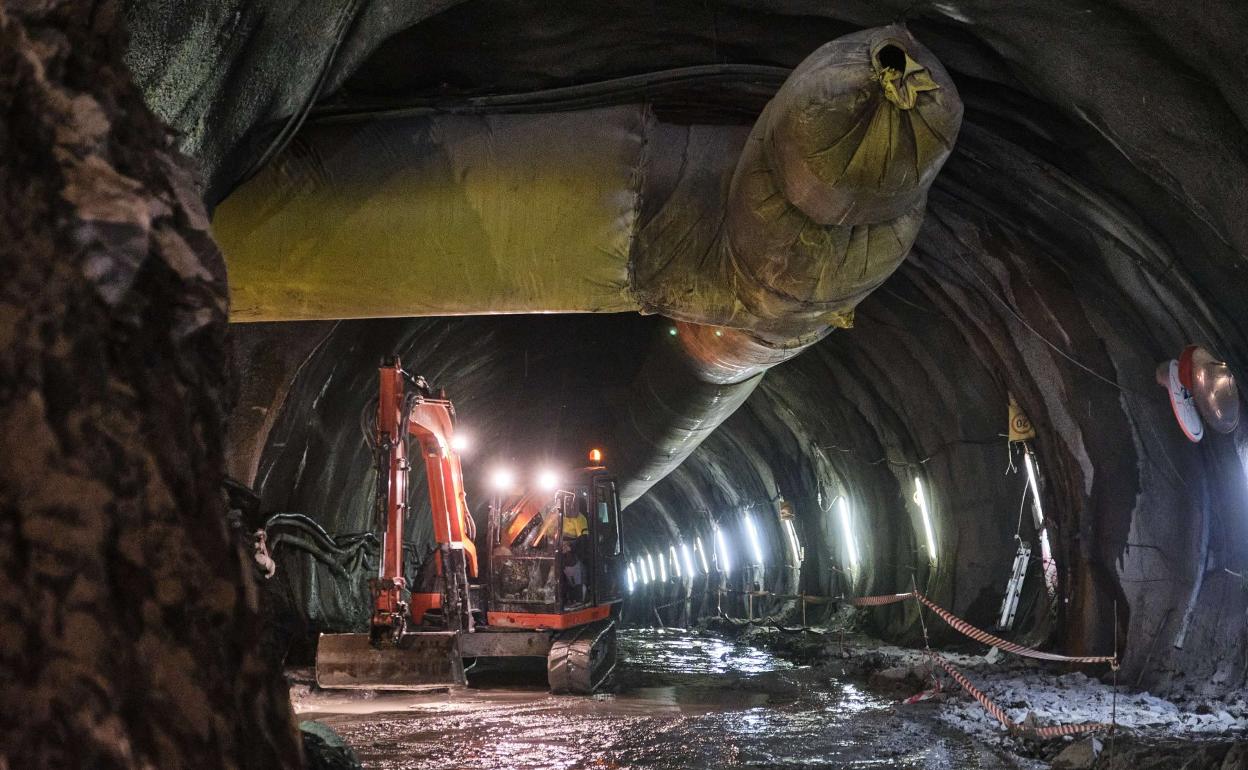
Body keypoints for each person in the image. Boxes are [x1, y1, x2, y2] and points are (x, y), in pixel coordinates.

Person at [562, 496, 590, 603]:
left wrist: (570, 547)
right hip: (558, 549)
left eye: (570, 502)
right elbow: (547, 532)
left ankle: (578, 593)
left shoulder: (580, 518)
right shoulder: (557, 517)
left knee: (572, 564)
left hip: (572, 551)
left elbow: (583, 540)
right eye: (566, 502)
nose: (568, 505)